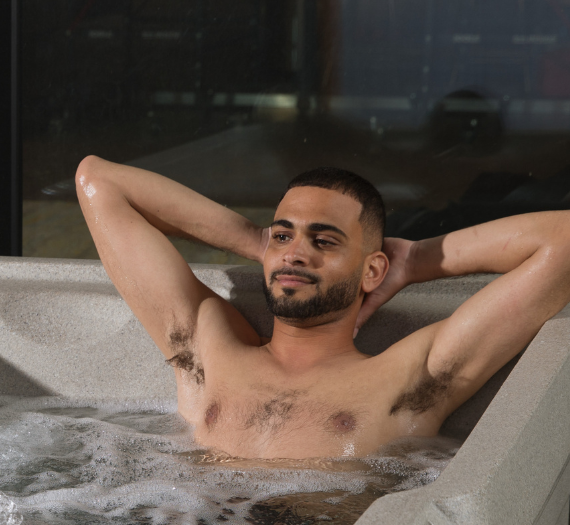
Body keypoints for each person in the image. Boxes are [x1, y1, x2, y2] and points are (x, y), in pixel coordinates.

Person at [75, 157, 570, 460]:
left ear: (372, 271)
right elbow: (99, 180)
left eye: (324, 240)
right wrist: (258, 239)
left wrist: (415, 260)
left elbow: (564, 241)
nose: (295, 252)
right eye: (285, 234)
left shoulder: (406, 379)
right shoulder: (207, 346)